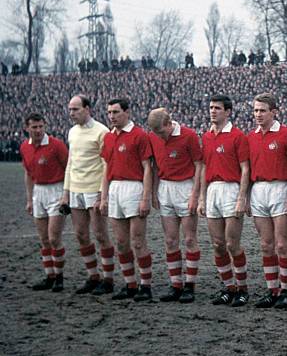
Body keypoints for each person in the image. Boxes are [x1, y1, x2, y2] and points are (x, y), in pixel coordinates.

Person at [197, 95, 251, 307]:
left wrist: (241, 197)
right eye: (211, 107)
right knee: (218, 244)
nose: (213, 111)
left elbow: (245, 169)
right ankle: (229, 288)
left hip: (231, 189)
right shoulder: (207, 136)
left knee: (232, 243)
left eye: (217, 108)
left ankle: (243, 289)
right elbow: (203, 168)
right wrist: (202, 197)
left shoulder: (237, 136)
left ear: (228, 112)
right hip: (212, 191)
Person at [100, 98, 154, 302]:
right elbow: (106, 168)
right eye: (109, 113)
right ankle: (130, 284)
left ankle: (145, 285)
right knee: (121, 242)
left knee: (138, 241)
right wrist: (104, 197)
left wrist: (145, 197)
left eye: (116, 112)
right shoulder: (108, 137)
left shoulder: (139, 135)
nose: (112, 116)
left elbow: (148, 167)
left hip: (134, 188)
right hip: (114, 189)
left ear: (127, 112)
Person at [61, 95, 116, 295]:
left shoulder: (101, 131)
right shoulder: (72, 132)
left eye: (75, 109)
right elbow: (70, 163)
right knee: (81, 235)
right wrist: (65, 192)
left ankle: (108, 279)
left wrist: (103, 193)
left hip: (94, 189)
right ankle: (93, 276)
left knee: (101, 234)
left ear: (87, 109)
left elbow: (106, 165)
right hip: (76, 189)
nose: (71, 113)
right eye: (70, 109)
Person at [148, 108, 202, 303]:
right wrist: (154, 191)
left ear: (169, 124)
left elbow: (199, 165)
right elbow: (154, 166)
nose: (160, 136)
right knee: (170, 240)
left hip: (185, 187)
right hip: (165, 188)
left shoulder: (189, 136)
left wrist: (195, 194)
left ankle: (190, 285)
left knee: (189, 239)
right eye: (157, 134)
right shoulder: (153, 137)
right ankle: (176, 284)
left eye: (162, 132)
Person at [247, 93, 287, 309]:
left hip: (280, 188)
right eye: (256, 110)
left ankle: (286, 290)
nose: (258, 114)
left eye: (262, 110)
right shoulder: (251, 136)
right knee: (266, 245)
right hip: (258, 190)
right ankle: (272, 290)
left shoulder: (286, 134)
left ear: (274, 112)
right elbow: (247, 169)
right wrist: (246, 196)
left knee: (282, 243)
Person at [20, 113, 69, 292]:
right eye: (34, 127)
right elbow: (28, 174)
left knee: (54, 237)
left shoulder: (56, 145)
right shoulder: (25, 147)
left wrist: (66, 195)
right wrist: (29, 199)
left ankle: (60, 277)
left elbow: (68, 169)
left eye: (41, 126)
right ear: (27, 128)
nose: (39, 130)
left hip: (56, 191)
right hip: (38, 192)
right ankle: (50, 276)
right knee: (44, 239)